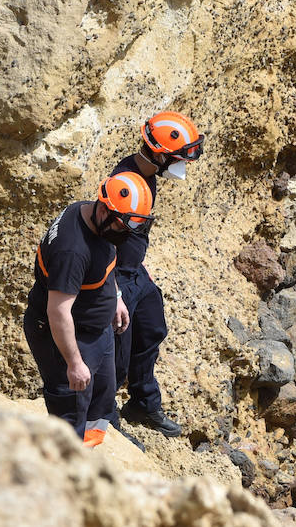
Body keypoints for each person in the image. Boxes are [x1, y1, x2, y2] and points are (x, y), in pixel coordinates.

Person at [23, 172, 152, 447]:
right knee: (71, 406)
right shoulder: (72, 251)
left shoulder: (93, 216)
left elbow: (106, 260)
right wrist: (73, 363)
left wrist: (115, 296)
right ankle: (66, 470)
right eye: (122, 226)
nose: (125, 234)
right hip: (68, 336)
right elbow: (57, 312)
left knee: (101, 394)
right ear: (105, 210)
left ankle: (90, 450)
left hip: (97, 328)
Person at [109, 110, 204, 439]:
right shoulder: (125, 182)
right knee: (115, 358)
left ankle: (143, 404)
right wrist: (115, 293)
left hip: (135, 274)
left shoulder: (146, 174)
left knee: (151, 330)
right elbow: (105, 237)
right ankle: (106, 422)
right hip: (115, 280)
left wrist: (138, 268)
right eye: (178, 158)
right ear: (160, 154)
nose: (183, 165)